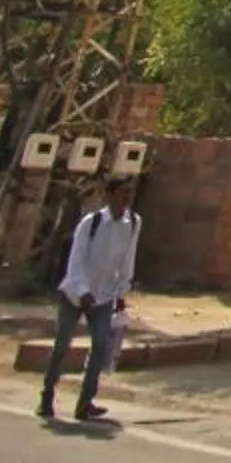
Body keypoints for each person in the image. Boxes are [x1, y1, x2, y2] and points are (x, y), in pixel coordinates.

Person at [40, 176, 142, 425]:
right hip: (76, 293)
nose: (125, 199)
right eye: (121, 193)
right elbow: (76, 260)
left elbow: (127, 261)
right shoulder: (92, 222)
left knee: (100, 346)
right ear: (110, 196)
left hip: (104, 295)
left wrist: (120, 293)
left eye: (129, 193)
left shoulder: (133, 223)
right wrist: (83, 290)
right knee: (62, 345)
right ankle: (47, 396)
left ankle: (85, 402)